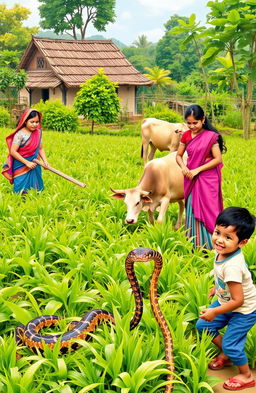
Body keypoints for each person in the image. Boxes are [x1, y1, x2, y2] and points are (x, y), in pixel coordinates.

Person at [196, 207, 256, 391]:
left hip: (244, 310)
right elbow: (223, 277)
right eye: (217, 232)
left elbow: (238, 300)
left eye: (228, 237)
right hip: (227, 301)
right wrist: (217, 288)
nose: (219, 240)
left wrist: (214, 311)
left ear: (242, 242)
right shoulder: (221, 251)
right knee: (203, 326)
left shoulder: (233, 266)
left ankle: (246, 375)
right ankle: (229, 352)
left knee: (231, 343)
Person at [176, 104, 226, 249]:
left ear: (203, 119)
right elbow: (178, 156)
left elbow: (218, 159)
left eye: (195, 123)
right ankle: (195, 244)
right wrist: (184, 167)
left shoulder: (210, 137)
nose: (192, 126)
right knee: (192, 206)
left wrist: (197, 170)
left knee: (209, 209)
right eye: (189, 123)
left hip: (207, 178)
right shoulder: (186, 135)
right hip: (190, 177)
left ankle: (212, 245)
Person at [2, 108, 49, 194]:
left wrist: (45, 161)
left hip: (35, 163)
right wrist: (27, 162)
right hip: (21, 164)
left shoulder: (38, 133)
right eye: (32, 122)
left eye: (37, 122)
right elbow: (13, 151)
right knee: (20, 188)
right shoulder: (20, 134)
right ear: (25, 121)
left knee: (36, 186)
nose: (34, 124)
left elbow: (40, 148)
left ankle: (35, 199)